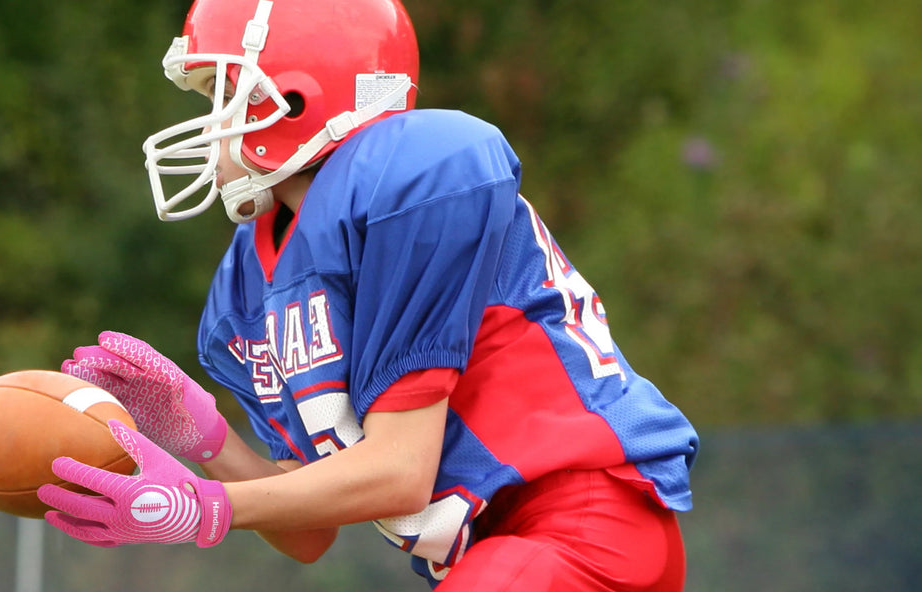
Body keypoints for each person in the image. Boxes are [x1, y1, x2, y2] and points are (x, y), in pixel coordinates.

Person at [36, 0, 699, 589]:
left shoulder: (412, 178)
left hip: (583, 527)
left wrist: (197, 505)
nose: (211, 122)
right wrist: (202, 435)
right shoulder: (248, 285)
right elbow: (306, 532)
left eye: (223, 92)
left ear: (293, 97)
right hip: (493, 555)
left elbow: (398, 473)